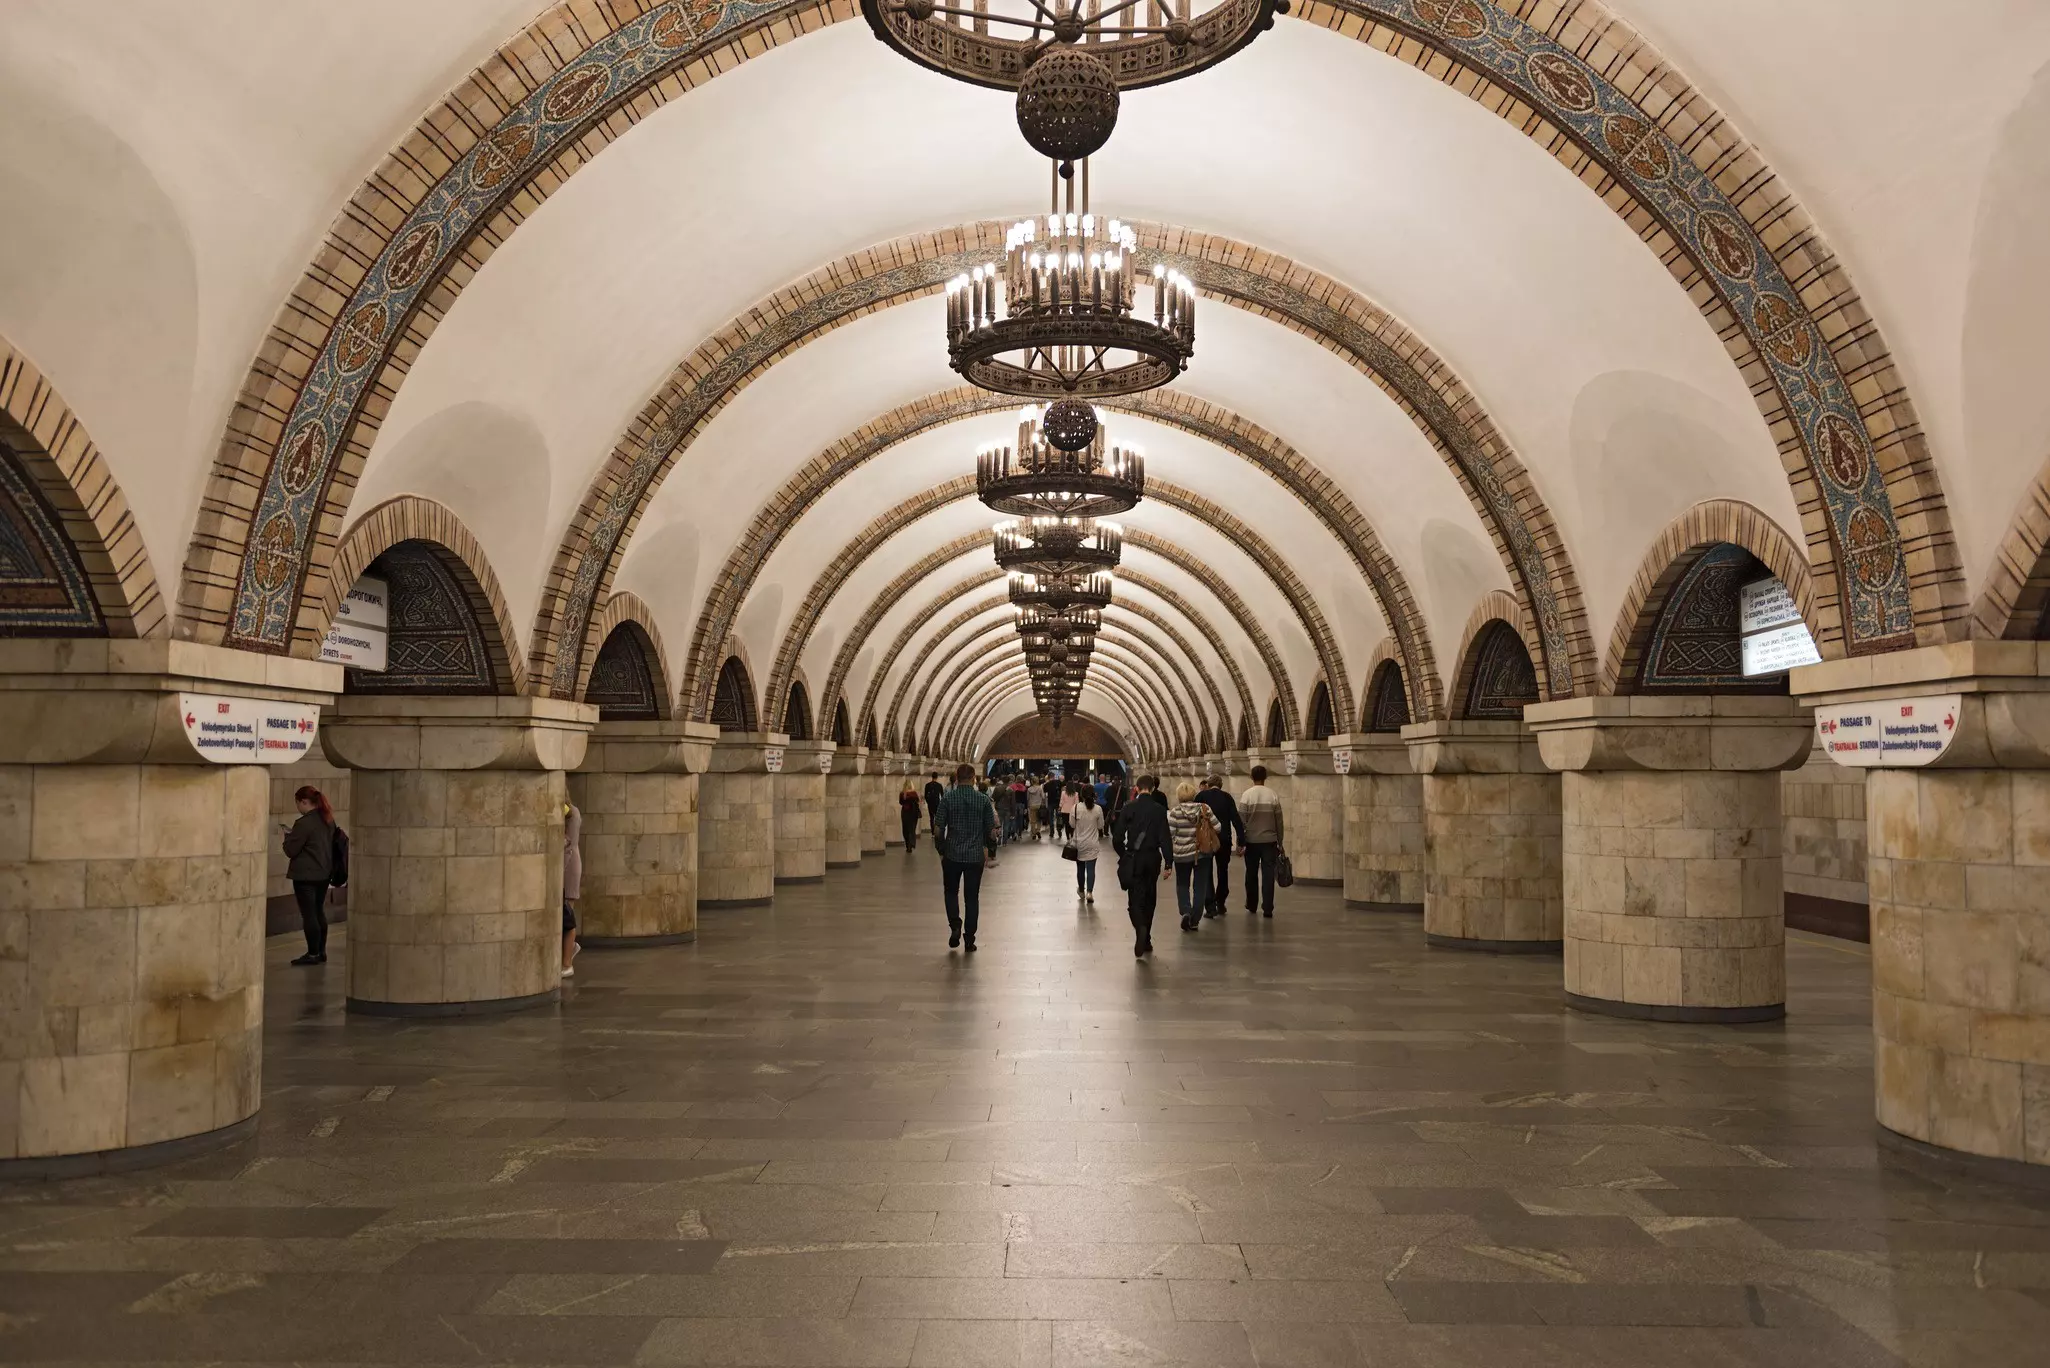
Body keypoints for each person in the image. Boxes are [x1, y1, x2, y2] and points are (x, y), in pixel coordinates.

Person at [933, 763, 998, 952]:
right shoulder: (983, 800)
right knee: (972, 898)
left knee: (951, 891)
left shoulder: (948, 798)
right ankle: (969, 938)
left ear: (957, 777)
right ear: (973, 778)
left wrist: (941, 849)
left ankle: (955, 924)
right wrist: (991, 848)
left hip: (952, 854)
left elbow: (938, 829)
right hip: (974, 856)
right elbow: (991, 831)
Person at [1111, 774, 1174, 958]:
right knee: (1150, 896)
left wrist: (1124, 855)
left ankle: (1140, 929)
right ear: (1153, 788)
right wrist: (1169, 862)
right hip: (1153, 857)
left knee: (1134, 900)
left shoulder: (1129, 808)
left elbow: (1117, 838)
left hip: (1135, 858)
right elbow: (1165, 838)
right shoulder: (1160, 810)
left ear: (1137, 788)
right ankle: (1146, 939)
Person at [281, 785, 336, 966]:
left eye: (298, 804)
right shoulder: (327, 819)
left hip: (305, 876)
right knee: (319, 911)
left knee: (309, 914)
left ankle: (312, 953)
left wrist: (287, 836)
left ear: (304, 802)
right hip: (323, 873)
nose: (298, 808)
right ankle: (321, 951)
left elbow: (291, 850)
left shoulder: (303, 824)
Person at [1166, 780, 1218, 932]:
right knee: (1200, 886)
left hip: (1181, 854)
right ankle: (1195, 919)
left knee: (1182, 884)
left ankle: (1186, 911)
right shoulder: (1205, 808)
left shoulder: (1175, 812)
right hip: (1202, 853)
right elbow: (1218, 827)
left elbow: (1170, 834)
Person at [1239, 764, 1286, 919]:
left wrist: (1241, 842)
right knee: (1268, 875)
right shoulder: (1273, 795)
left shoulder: (1246, 795)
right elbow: (1279, 821)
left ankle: (1251, 904)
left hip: (1251, 841)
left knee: (1251, 873)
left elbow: (1241, 820)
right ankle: (1267, 908)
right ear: (1265, 777)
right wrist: (1280, 840)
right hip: (1269, 841)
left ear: (1251, 777)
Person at [1195, 775, 1245, 918]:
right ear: (1221, 785)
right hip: (1224, 839)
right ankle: (1221, 901)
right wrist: (1241, 841)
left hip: (1206, 840)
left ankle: (1210, 906)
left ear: (1209, 785)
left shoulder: (1201, 796)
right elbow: (1236, 819)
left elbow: (1194, 818)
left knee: (1207, 872)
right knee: (1223, 870)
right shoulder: (1227, 797)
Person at [1069, 782, 1106, 903]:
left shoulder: (1075, 808)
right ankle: (1090, 892)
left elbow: (1072, 824)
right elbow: (1101, 826)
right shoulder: (1098, 809)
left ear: (1081, 795)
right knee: (1091, 869)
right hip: (1092, 843)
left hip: (1079, 843)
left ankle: (1081, 890)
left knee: (1080, 869)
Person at [562, 801, 583, 978]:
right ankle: (568, 952)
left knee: (568, 914)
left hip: (569, 866)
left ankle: (567, 962)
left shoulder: (572, 813)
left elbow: (569, 844)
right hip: (564, 863)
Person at [899, 783, 923, 851]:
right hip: (913, 813)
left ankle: (907, 845)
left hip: (905, 812)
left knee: (905, 829)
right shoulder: (914, 793)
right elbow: (917, 801)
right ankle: (911, 844)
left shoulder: (902, 793)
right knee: (912, 829)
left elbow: (900, 802)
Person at [924, 773, 946, 838]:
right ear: (937, 777)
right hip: (937, 803)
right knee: (937, 818)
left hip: (930, 804)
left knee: (931, 818)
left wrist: (928, 802)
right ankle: (937, 832)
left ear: (932, 777)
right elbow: (942, 795)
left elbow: (925, 795)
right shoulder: (939, 785)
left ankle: (932, 833)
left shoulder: (927, 785)